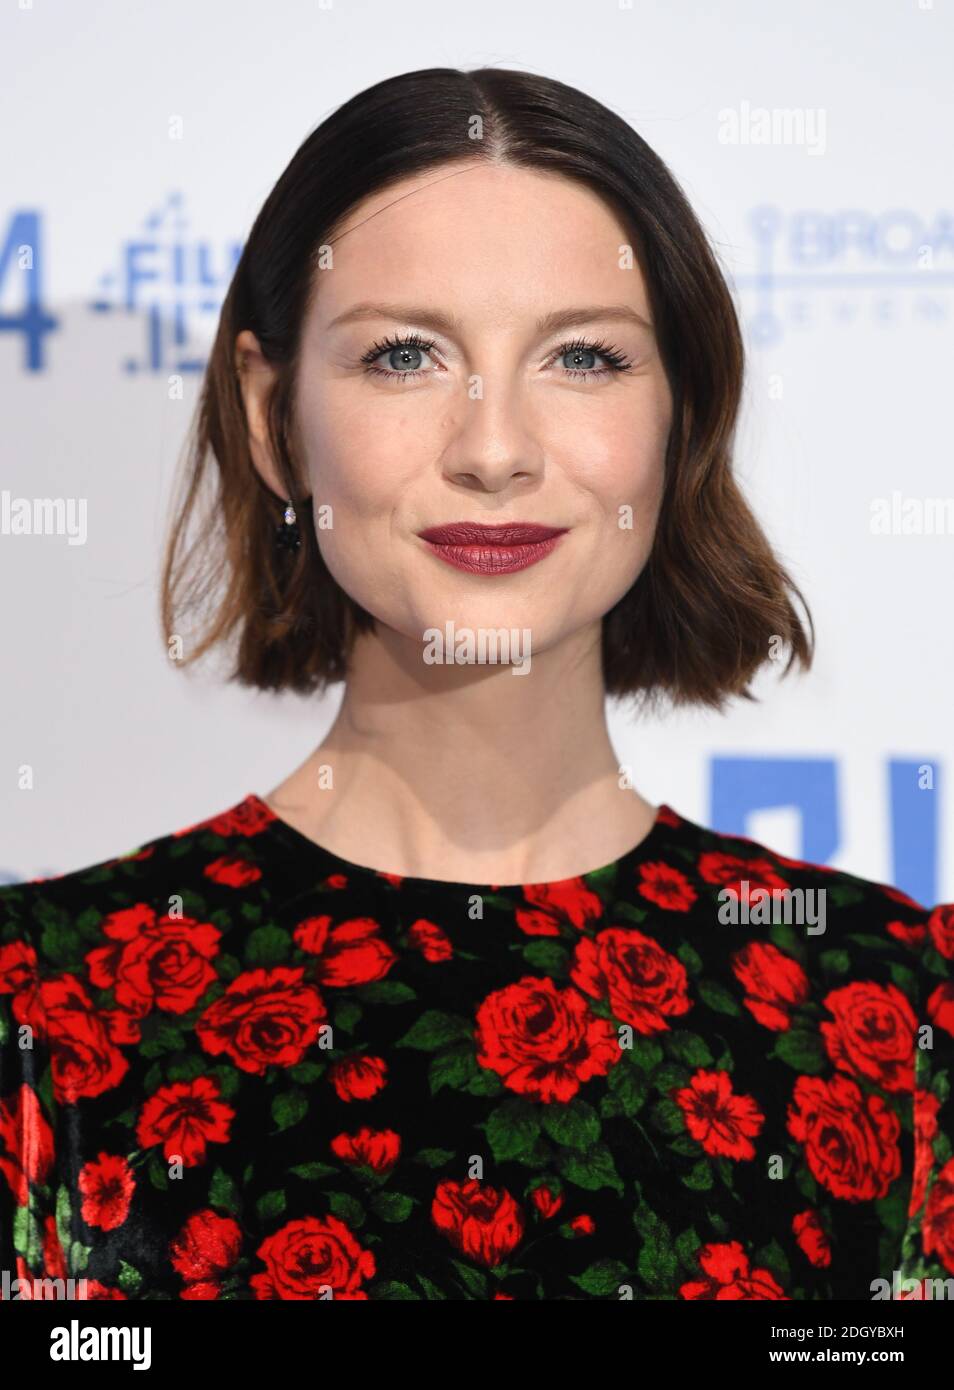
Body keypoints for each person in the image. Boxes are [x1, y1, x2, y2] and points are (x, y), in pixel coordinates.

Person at [1, 67, 951, 1303]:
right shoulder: (43, 1006)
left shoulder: (891, 1009)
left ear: (683, 412)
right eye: (404, 355)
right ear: (273, 414)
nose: (494, 449)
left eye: (584, 358)